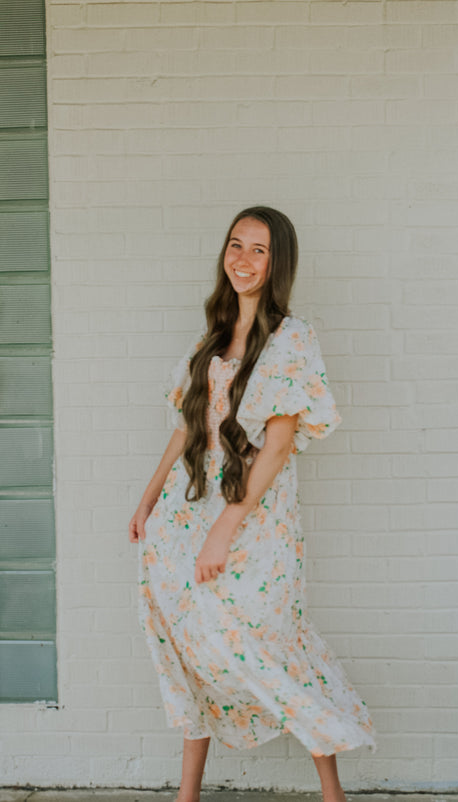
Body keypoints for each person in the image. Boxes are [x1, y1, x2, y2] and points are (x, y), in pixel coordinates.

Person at [129, 206, 376, 802]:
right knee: (187, 645)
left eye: (258, 250)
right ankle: (187, 795)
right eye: (235, 245)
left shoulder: (292, 338)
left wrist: (225, 528)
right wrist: (147, 498)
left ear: (278, 262)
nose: (242, 259)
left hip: (254, 520)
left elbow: (280, 445)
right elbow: (185, 429)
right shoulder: (208, 339)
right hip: (187, 512)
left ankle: (332, 795)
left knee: (267, 647)